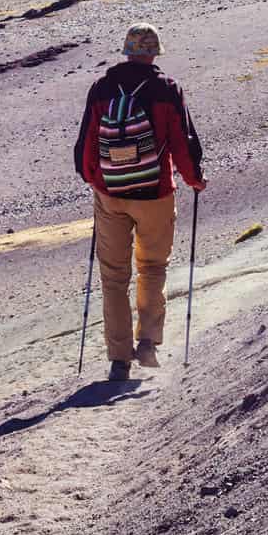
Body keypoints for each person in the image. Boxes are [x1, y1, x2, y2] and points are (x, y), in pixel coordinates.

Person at [73, 22, 206, 382]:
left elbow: (85, 145)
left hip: (110, 195)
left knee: (114, 278)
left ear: (127, 50)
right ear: (154, 52)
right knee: (151, 268)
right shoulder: (166, 89)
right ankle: (146, 341)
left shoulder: (101, 88)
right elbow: (183, 141)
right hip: (155, 195)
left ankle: (119, 359)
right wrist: (194, 180)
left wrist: (96, 181)